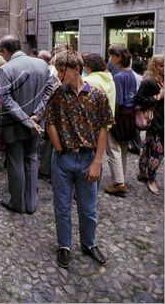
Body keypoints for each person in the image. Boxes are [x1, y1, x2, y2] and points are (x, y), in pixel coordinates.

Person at [45, 49, 114, 269]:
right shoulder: (58, 95)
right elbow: (50, 121)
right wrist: (58, 148)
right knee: (62, 206)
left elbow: (104, 128)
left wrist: (97, 162)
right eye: (57, 70)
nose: (58, 75)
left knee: (88, 207)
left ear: (77, 69)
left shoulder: (97, 96)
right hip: (63, 159)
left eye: (62, 70)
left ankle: (89, 243)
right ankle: (64, 245)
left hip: (87, 159)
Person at [0, 35, 50, 214]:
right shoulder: (42, 64)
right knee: (32, 159)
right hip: (36, 122)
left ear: (5, 50)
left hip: (15, 125)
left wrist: (27, 119)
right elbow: (49, 91)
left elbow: (6, 100)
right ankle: (31, 203)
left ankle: (18, 204)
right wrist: (37, 114)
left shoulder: (5, 69)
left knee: (16, 162)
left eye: (2, 53)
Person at [104, 46, 137, 197]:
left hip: (120, 114)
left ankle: (119, 182)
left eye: (112, 56)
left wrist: (111, 120)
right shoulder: (131, 74)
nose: (111, 59)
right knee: (123, 147)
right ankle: (121, 176)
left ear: (118, 58)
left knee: (113, 148)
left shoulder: (118, 77)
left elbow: (117, 101)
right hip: (130, 113)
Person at [83, 53, 116, 187]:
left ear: (89, 66)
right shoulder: (109, 79)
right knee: (98, 155)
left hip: (91, 124)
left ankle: (88, 185)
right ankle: (95, 184)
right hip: (105, 124)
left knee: (89, 156)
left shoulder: (90, 81)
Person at [135, 54, 164, 196]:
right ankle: (150, 178)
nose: (163, 69)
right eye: (161, 66)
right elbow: (138, 100)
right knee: (156, 152)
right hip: (155, 121)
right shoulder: (148, 81)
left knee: (148, 147)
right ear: (154, 66)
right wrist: (157, 97)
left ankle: (143, 172)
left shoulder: (162, 80)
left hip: (160, 121)